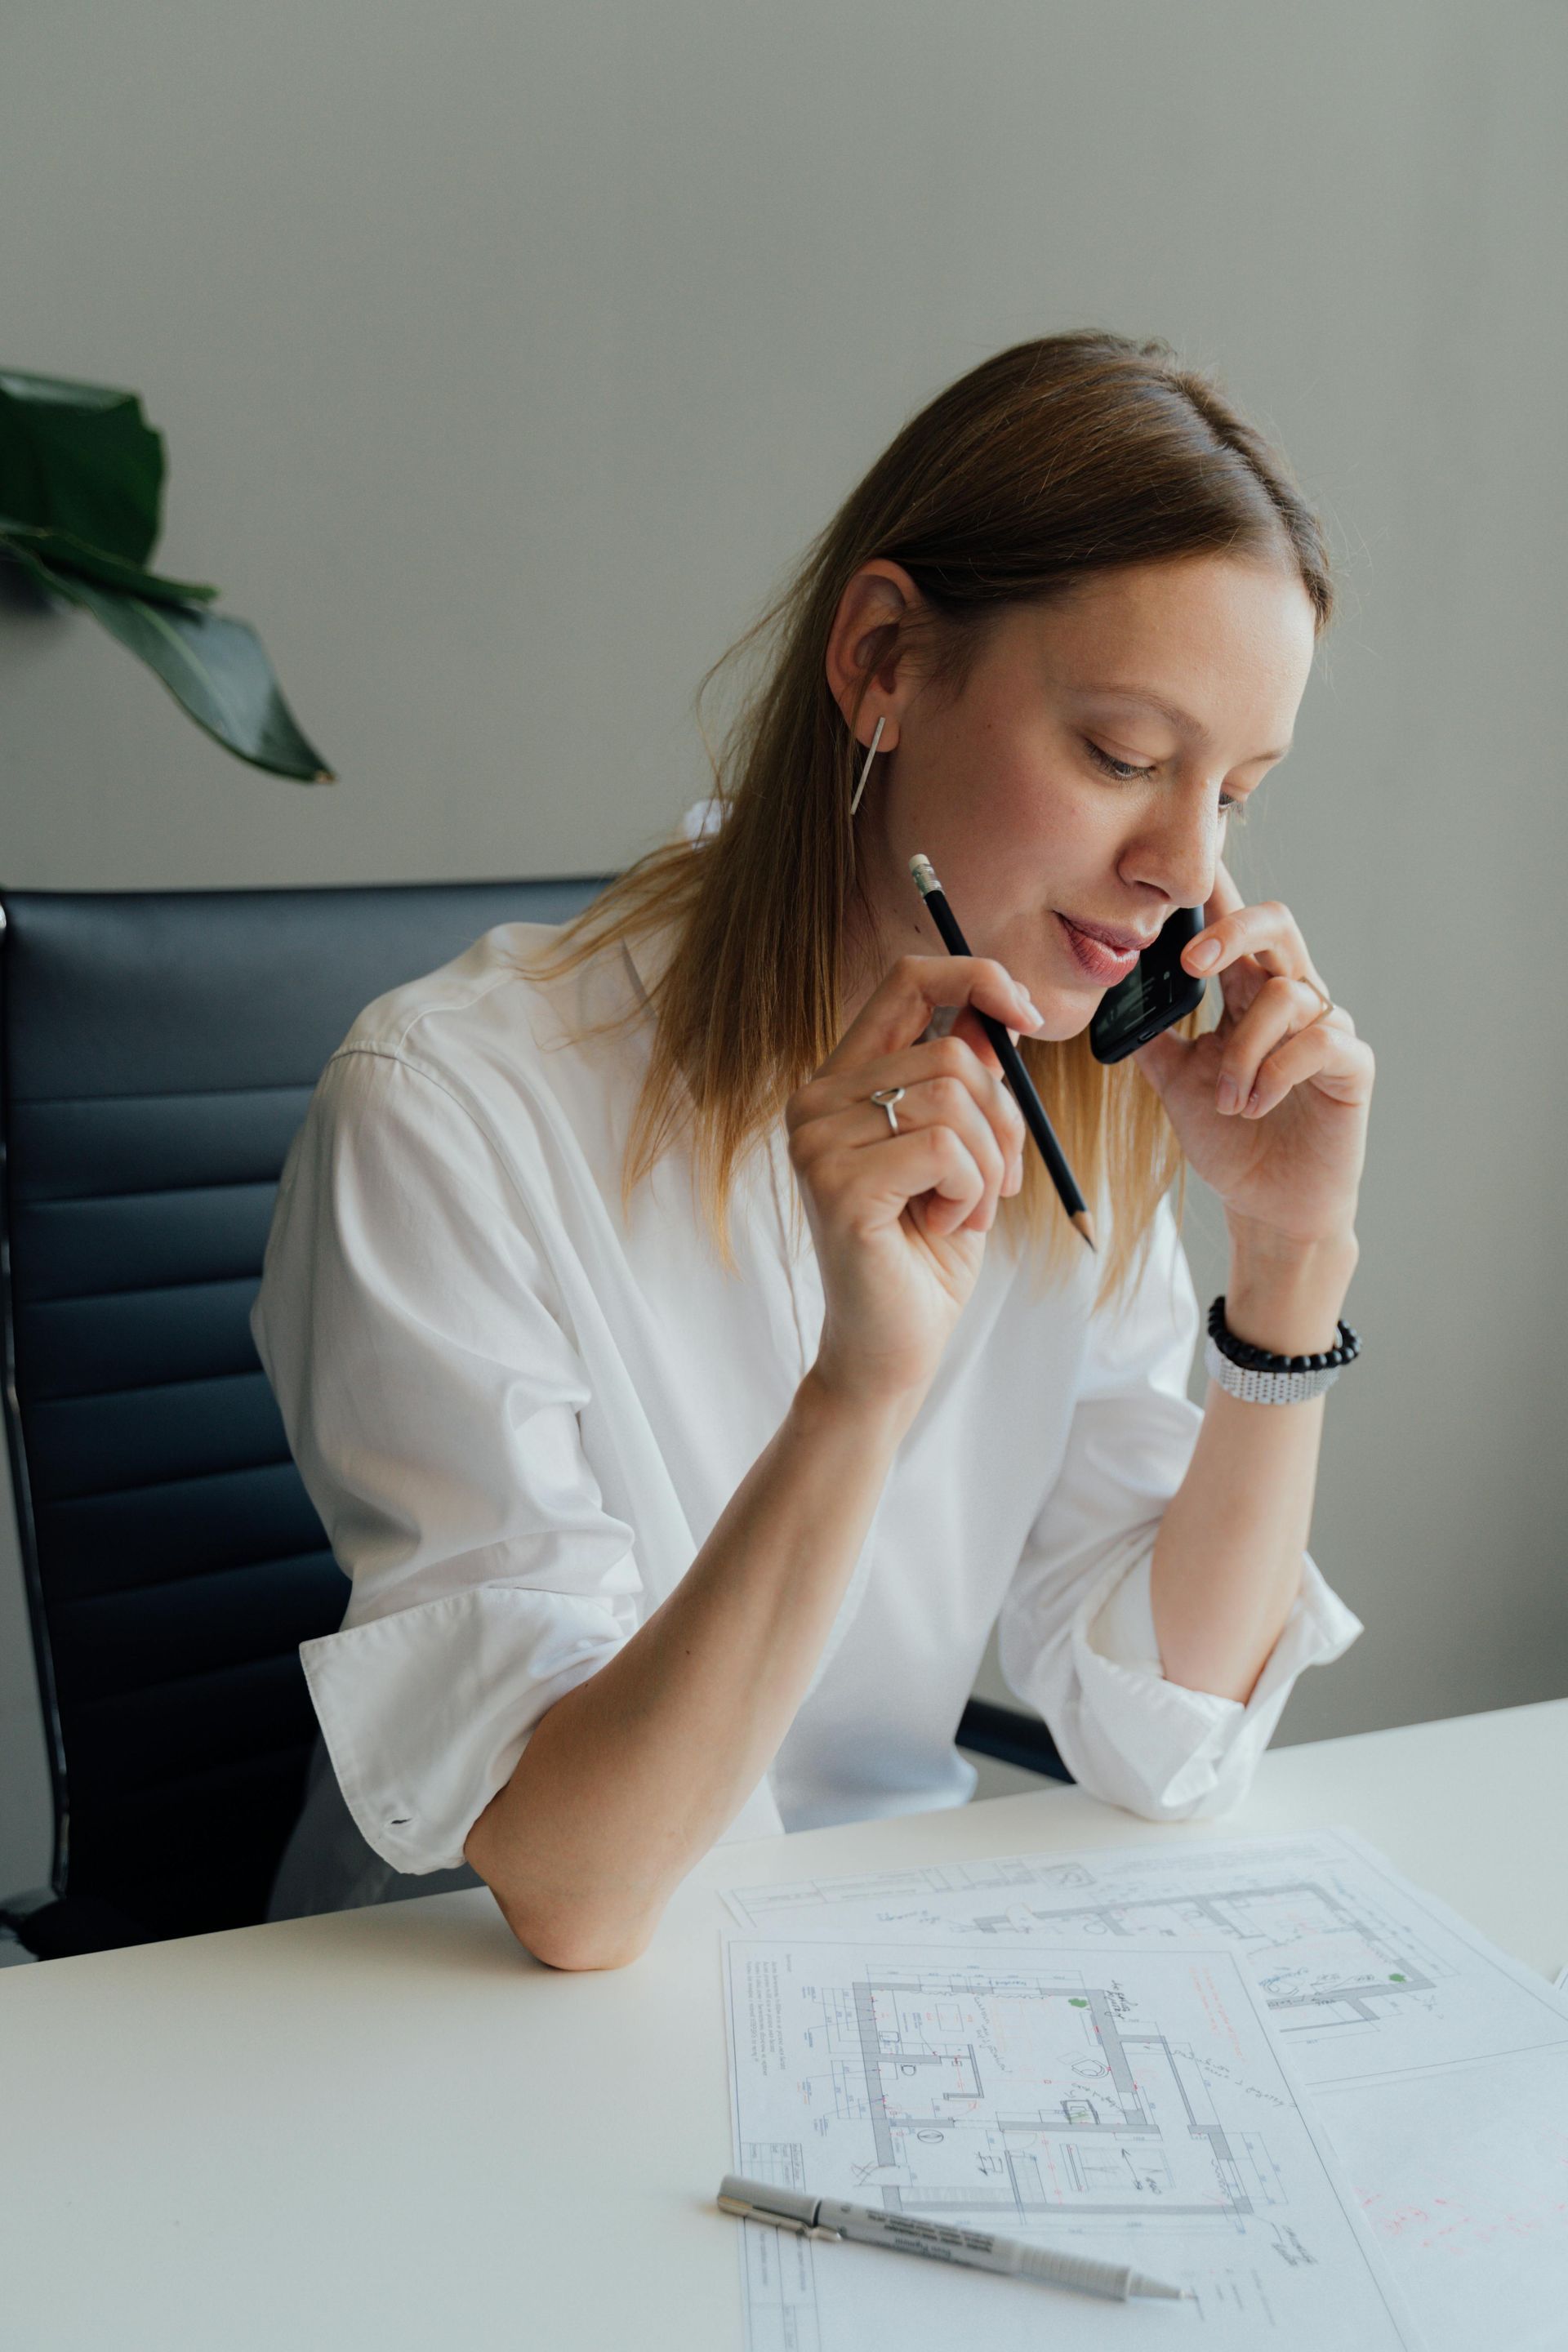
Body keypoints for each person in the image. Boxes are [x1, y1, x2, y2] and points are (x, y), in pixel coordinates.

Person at [254, 330, 1374, 1967]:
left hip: (865, 1979)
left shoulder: (1069, 1107)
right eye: (1124, 757)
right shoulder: (451, 1104)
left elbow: (1166, 1733)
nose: (1179, 872)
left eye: (1236, 797)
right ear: (881, 662)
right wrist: (856, 1393)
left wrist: (1288, 1265)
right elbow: (577, 1891)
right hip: (460, 2014)